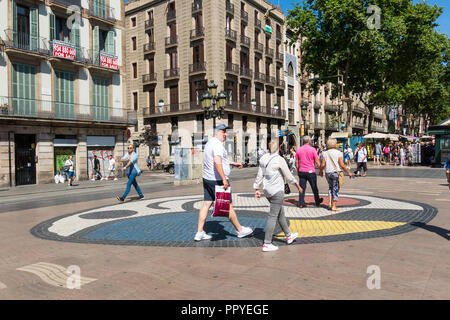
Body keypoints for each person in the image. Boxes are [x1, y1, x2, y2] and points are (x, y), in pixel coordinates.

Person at [194, 124, 253, 241]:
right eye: (223, 132)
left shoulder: (209, 143)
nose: (225, 134)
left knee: (206, 204)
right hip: (218, 180)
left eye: (226, 132)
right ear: (217, 132)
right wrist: (224, 179)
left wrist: (233, 163)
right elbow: (217, 162)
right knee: (228, 205)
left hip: (208, 179)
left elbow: (220, 160)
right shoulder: (217, 145)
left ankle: (199, 232)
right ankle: (240, 230)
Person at [254, 139, 303, 252]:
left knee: (280, 213)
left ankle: (288, 235)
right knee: (273, 216)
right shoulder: (279, 160)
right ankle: (267, 243)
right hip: (277, 191)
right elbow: (289, 176)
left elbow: (259, 175)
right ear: (279, 147)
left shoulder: (263, 158)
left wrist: (257, 188)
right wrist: (298, 186)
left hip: (267, 191)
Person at [319, 139, 354, 211]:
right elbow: (342, 165)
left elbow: (322, 164)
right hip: (336, 172)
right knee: (335, 188)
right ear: (335, 145)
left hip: (328, 172)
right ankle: (333, 206)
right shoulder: (339, 153)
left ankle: (329, 203)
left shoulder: (325, 153)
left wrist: (320, 171)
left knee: (330, 187)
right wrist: (348, 172)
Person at [295, 136, 324, 208]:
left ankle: (301, 202)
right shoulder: (312, 149)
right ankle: (317, 201)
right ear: (309, 141)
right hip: (311, 171)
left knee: (302, 187)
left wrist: (298, 170)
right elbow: (317, 161)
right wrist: (321, 170)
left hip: (302, 171)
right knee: (314, 187)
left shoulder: (299, 149)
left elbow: (296, 162)